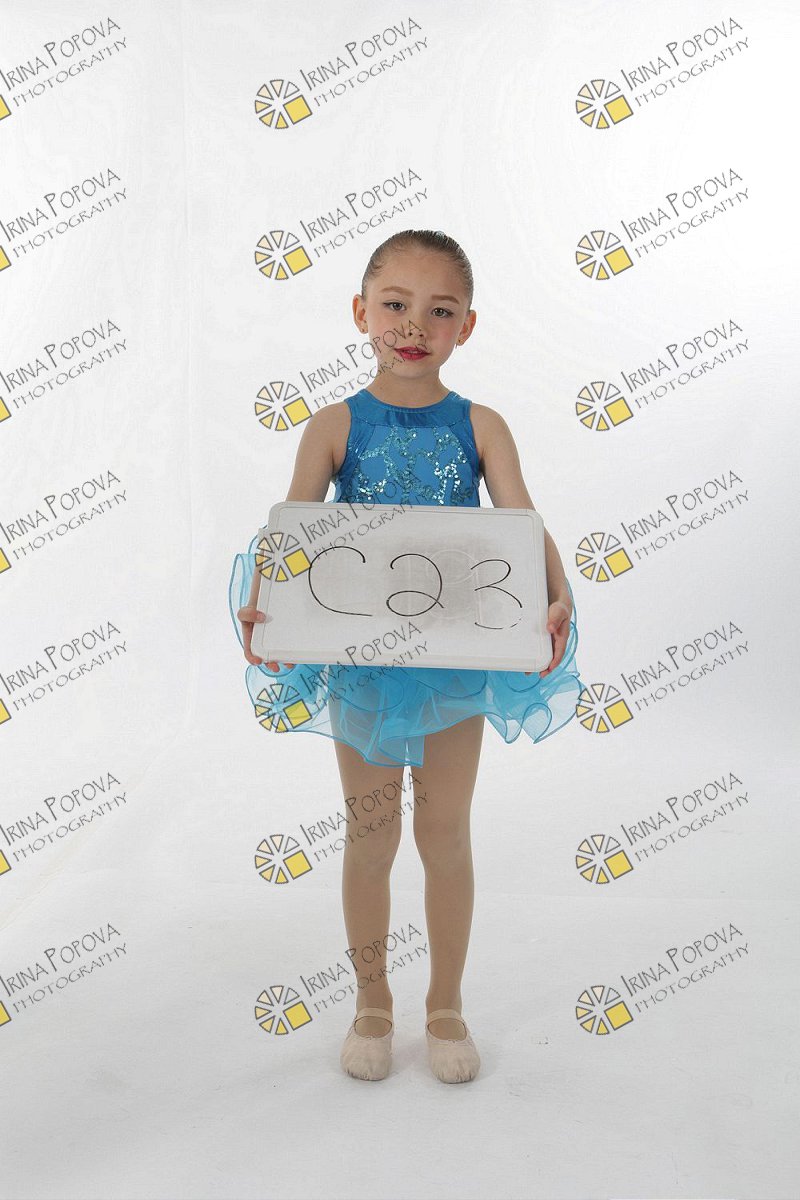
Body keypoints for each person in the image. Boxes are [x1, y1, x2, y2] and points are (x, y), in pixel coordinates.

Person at [231, 229, 585, 1084]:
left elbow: (522, 522)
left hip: (455, 662)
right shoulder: (334, 425)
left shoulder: (482, 426)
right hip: (362, 665)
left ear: (468, 325)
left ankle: (446, 1005)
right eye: (395, 305)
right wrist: (267, 605)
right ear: (361, 312)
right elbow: (293, 533)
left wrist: (557, 592)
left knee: (445, 831)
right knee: (370, 834)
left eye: (440, 310)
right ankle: (372, 1002)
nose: (414, 325)